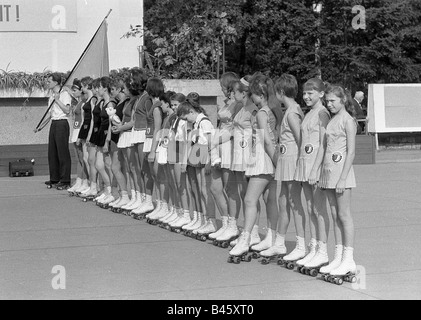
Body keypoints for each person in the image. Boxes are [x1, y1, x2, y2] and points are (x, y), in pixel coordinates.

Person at [228, 74, 282, 261]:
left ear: (259, 94)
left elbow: (266, 141)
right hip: (265, 158)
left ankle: (246, 238)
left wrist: (276, 164)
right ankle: (271, 237)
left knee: (250, 200)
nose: (251, 97)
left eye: (252, 94)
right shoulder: (271, 110)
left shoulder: (260, 113)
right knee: (269, 200)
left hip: (261, 159)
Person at [260, 74, 306, 260]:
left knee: (294, 204)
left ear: (280, 93)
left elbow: (300, 140)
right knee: (283, 202)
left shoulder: (293, 112)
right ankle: (279, 243)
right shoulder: (290, 110)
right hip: (286, 161)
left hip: (293, 162)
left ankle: (301, 245)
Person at [319, 84, 357, 280]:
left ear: (343, 100)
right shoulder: (332, 120)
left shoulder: (348, 121)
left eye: (333, 100)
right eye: (327, 101)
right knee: (334, 215)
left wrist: (343, 178)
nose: (329, 104)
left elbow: (351, 152)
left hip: (342, 173)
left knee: (344, 214)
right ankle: (339, 256)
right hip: (329, 173)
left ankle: (349, 258)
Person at [292, 78, 330, 271]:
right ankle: (314, 247)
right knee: (309, 207)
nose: (306, 97)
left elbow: (324, 143)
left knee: (319, 209)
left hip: (315, 166)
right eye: (305, 93)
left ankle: (323, 251)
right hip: (304, 165)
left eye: (310, 93)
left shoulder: (323, 113)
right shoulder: (309, 113)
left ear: (321, 94)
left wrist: (316, 169)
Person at [177, 97, 217, 237]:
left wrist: (209, 162)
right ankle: (203, 219)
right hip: (197, 152)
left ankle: (210, 221)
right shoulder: (196, 123)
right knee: (199, 189)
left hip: (204, 153)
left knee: (205, 190)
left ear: (191, 111)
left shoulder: (204, 122)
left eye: (186, 118)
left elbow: (211, 142)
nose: (187, 121)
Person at [208, 72, 239, 243]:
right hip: (219, 142)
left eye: (222, 85)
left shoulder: (238, 104)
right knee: (215, 187)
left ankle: (233, 225)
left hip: (228, 143)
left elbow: (236, 127)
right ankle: (226, 222)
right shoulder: (226, 103)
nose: (220, 88)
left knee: (230, 189)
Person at [44, 72, 72, 190]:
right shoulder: (51, 95)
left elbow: (67, 110)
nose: (47, 83)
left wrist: (57, 100)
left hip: (62, 122)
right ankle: (54, 177)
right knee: (52, 152)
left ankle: (65, 179)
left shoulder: (64, 94)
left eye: (49, 81)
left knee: (62, 152)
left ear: (56, 82)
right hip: (54, 123)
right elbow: (50, 114)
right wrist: (40, 126)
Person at [67, 78, 88, 194]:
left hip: (80, 130)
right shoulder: (77, 102)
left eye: (75, 90)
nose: (73, 92)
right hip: (75, 130)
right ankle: (79, 180)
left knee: (82, 158)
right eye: (73, 90)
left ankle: (85, 181)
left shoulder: (84, 103)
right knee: (78, 159)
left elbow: (84, 119)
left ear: (81, 91)